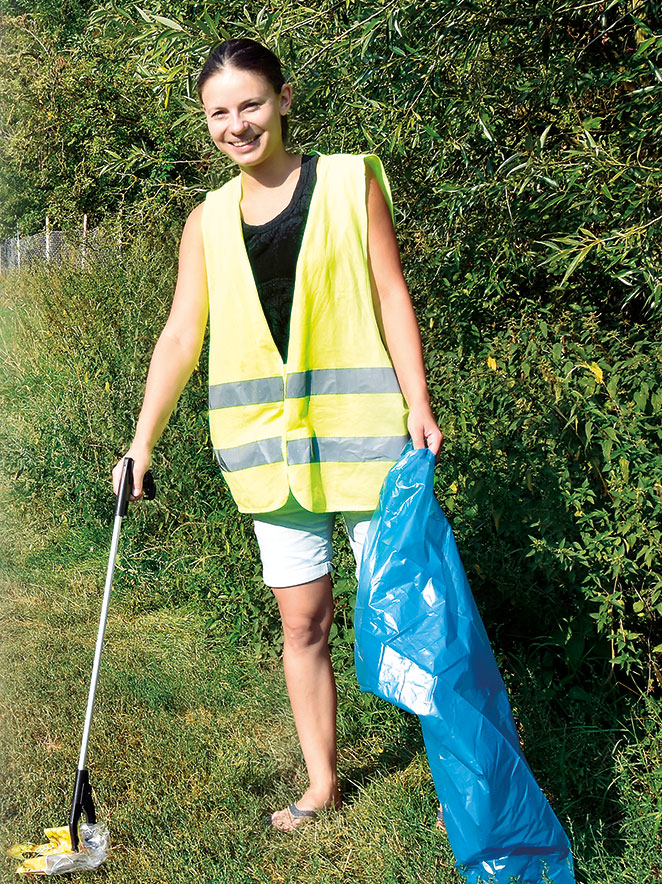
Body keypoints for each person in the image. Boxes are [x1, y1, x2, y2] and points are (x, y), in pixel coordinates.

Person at [112, 38, 442, 832]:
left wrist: (419, 402)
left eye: (251, 104)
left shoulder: (349, 183)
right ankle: (323, 782)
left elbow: (392, 295)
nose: (237, 124)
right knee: (305, 624)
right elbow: (180, 336)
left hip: (368, 443)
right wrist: (141, 441)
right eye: (219, 113)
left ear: (285, 100)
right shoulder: (206, 222)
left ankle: (452, 785)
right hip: (269, 458)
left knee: (408, 612)